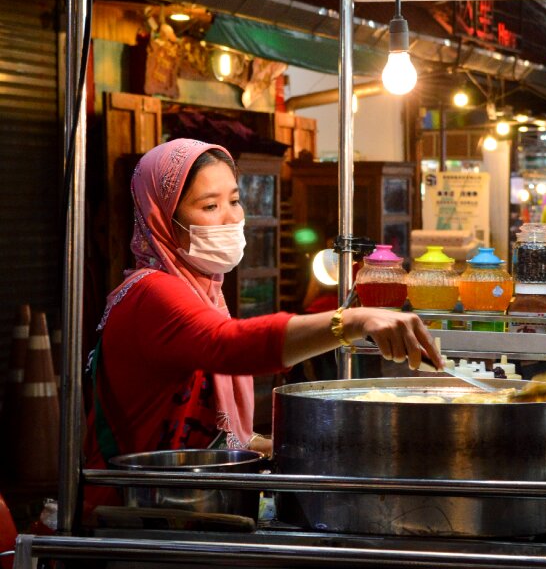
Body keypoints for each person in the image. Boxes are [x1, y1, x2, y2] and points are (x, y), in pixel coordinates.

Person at [84, 139, 441, 511]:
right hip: (130, 515)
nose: (232, 217)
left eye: (234, 200)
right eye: (210, 205)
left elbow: (215, 431)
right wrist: (352, 320)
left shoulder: (204, 292)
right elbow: (227, 344)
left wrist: (283, 446)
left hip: (183, 505)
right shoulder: (152, 293)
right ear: (162, 218)